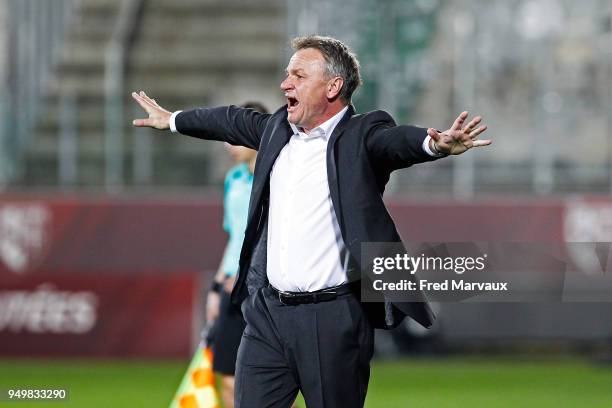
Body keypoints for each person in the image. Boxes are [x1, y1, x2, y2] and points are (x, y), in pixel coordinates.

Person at [132, 35, 490, 408]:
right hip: (267, 317)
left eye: (299, 76)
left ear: (333, 86)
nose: (286, 84)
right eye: (288, 74)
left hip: (332, 319)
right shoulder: (275, 130)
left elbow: (394, 142)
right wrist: (172, 119)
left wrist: (433, 145)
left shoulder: (362, 134)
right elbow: (227, 120)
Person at [205, 102, 267, 408]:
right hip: (231, 288)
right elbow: (234, 239)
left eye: (235, 135)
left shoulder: (278, 178)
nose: (228, 143)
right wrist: (216, 288)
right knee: (228, 382)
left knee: (271, 388)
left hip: (264, 291)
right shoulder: (233, 179)